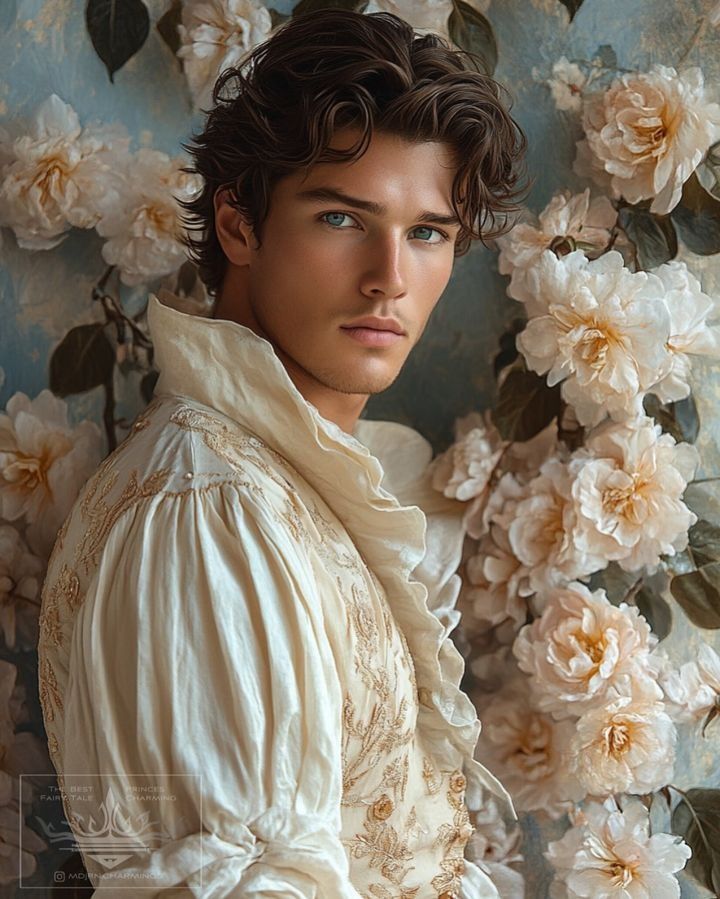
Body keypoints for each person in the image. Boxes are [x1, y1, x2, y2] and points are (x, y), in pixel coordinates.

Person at [37, 8, 529, 897]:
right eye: (343, 217)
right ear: (238, 225)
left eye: (428, 233)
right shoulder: (207, 510)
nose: (390, 276)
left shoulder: (285, 482)